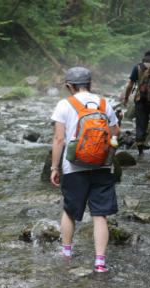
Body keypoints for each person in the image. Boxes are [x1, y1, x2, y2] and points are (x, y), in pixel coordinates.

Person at [50, 67, 119, 273]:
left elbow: (59, 139)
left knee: (70, 211)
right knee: (100, 215)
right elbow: (115, 132)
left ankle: (67, 252)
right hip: (102, 165)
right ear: (90, 83)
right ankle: (99, 262)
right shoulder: (105, 103)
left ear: (69, 86)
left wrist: (54, 167)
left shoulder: (64, 104)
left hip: (73, 166)